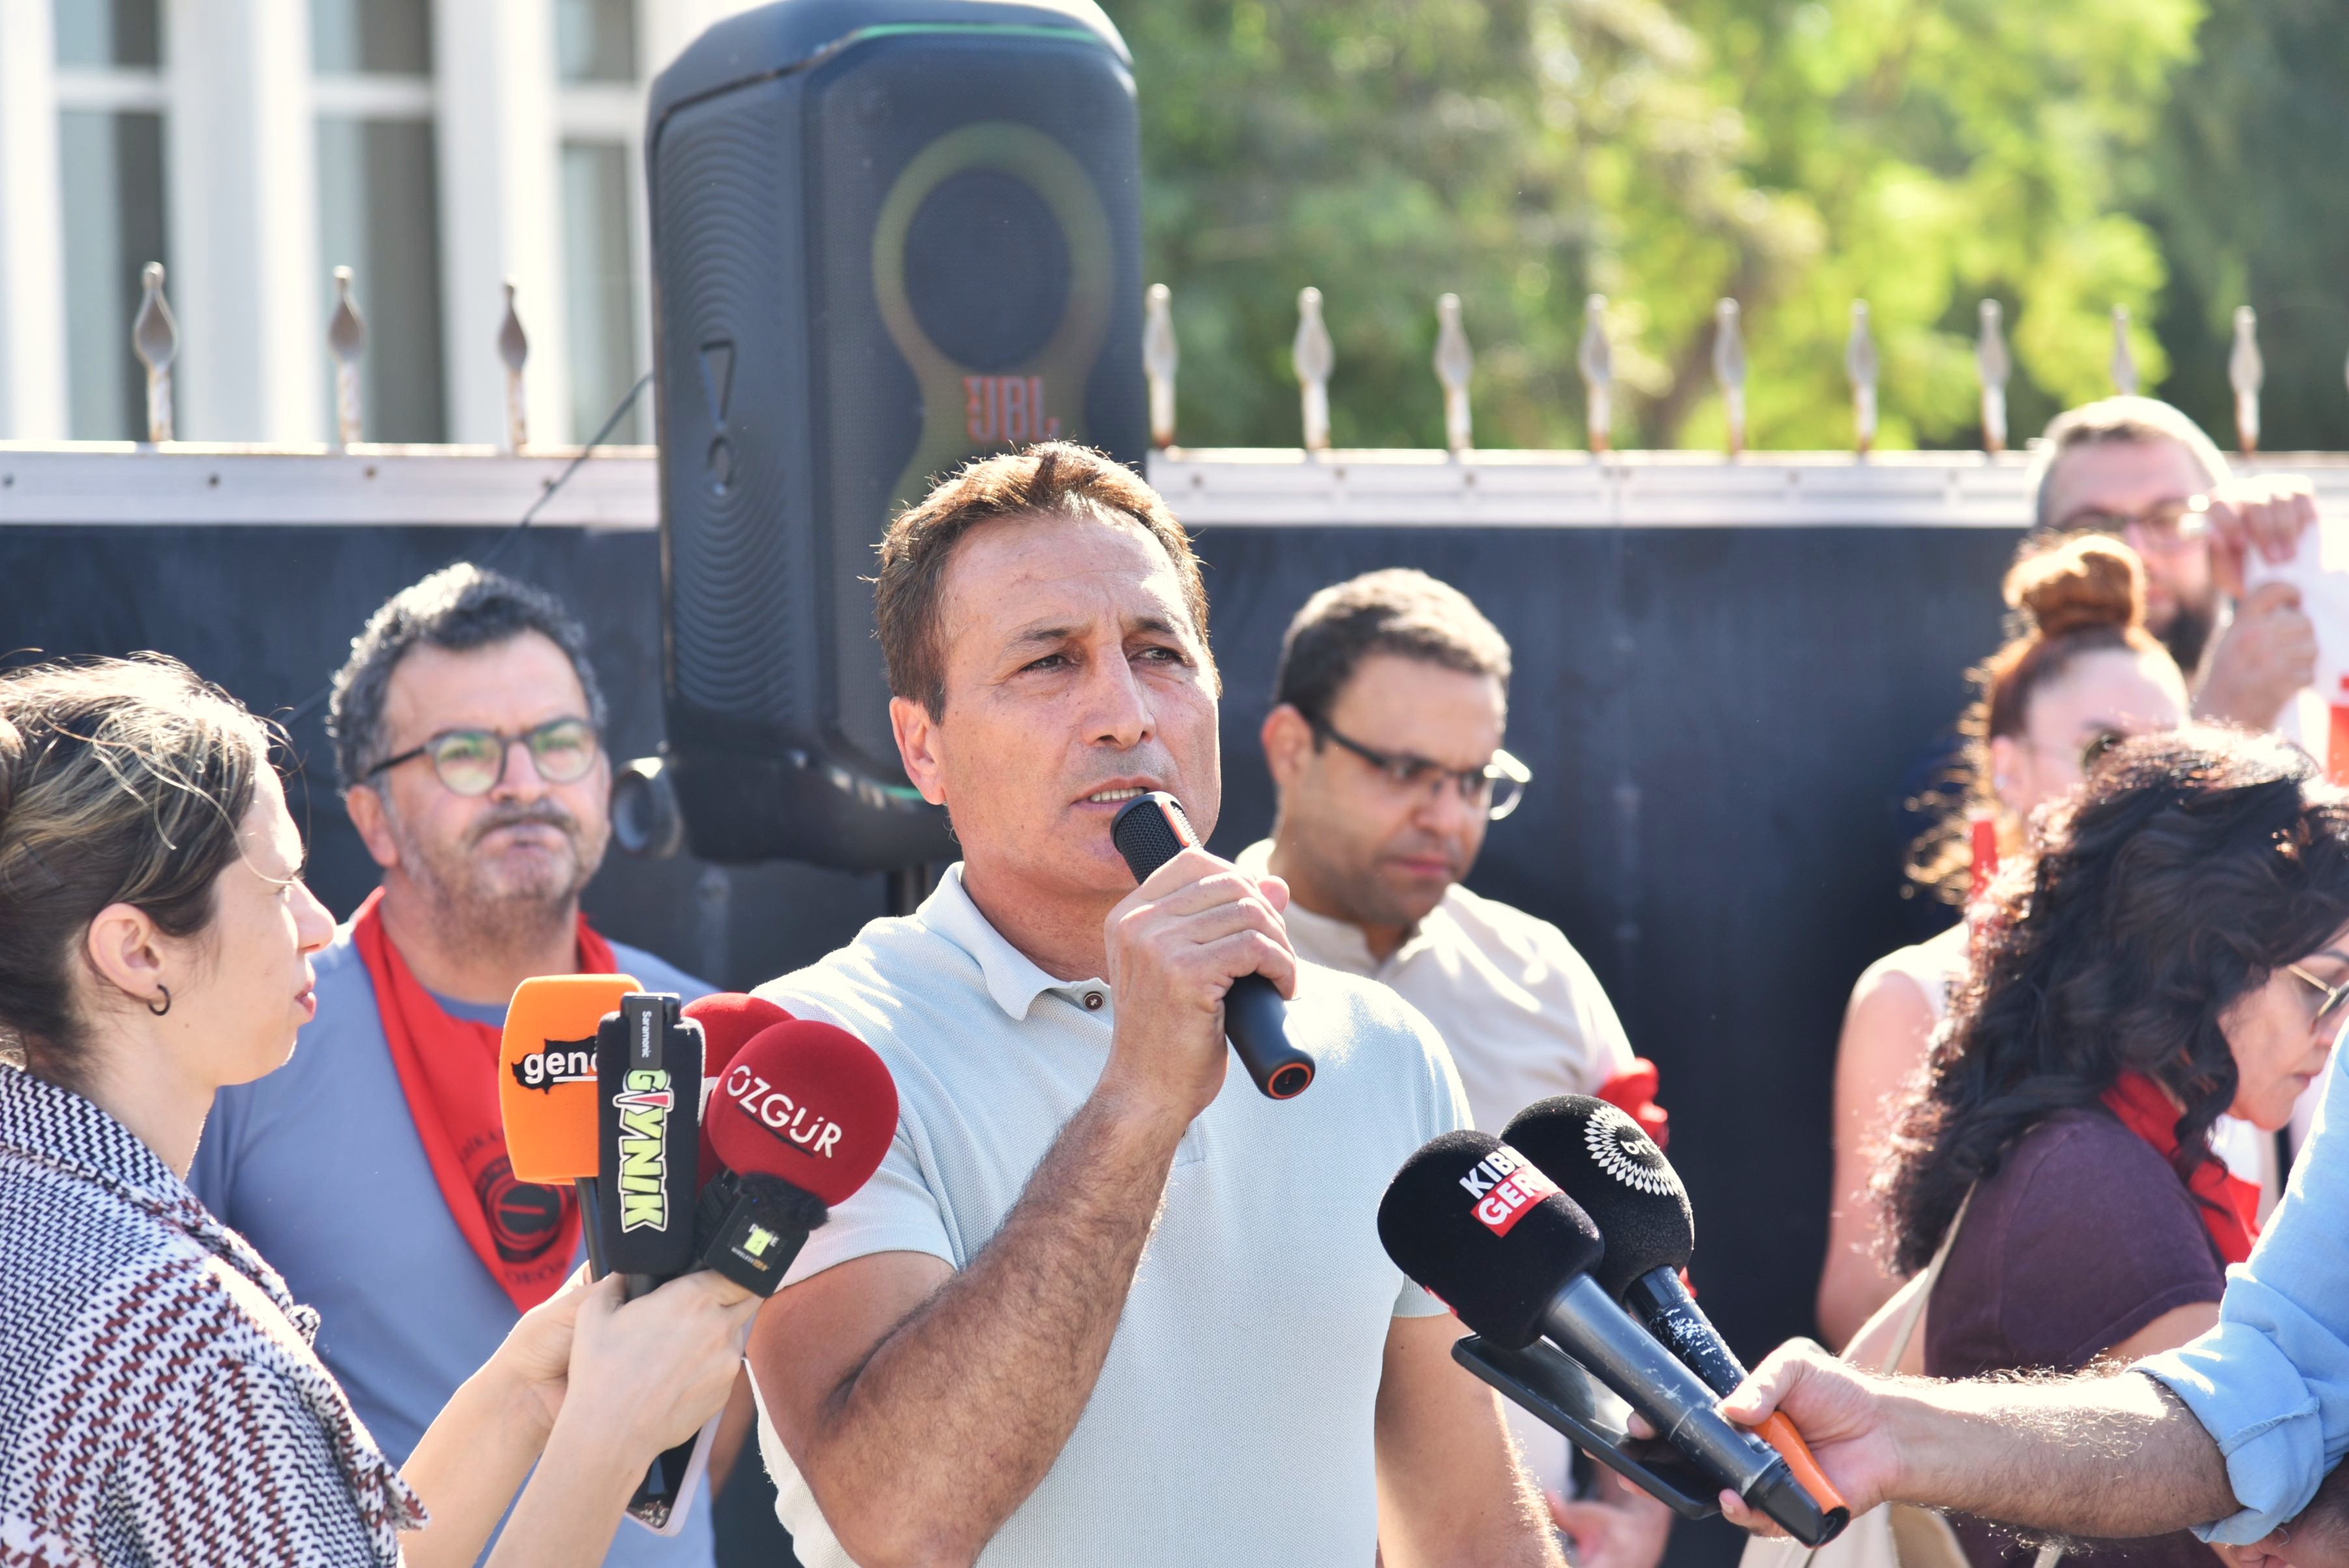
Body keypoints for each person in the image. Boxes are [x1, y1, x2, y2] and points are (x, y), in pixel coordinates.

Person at [742, 444, 1562, 1568]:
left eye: (1159, 654)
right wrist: (1137, 1102)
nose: (1125, 714)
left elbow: (1468, 1534)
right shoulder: (814, 1051)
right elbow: (904, 1522)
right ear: (923, 749)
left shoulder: (1378, 1046)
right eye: (1048, 661)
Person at [0, 655, 755, 1566]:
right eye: (278, 887)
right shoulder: (187, 1342)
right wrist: (609, 1434)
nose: (319, 923)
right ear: (138, 952)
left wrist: (525, 1392)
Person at [190, 565, 721, 1565]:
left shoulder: (702, 1029)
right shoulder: (252, 1039)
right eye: (465, 752)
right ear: (372, 817)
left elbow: (733, 1391)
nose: (523, 782)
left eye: (558, 741)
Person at [1715, 729, 2349, 1556]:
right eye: (2324, 985)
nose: (2335, 1030)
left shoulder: (2080, 1152)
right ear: (2194, 959)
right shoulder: (2097, 1185)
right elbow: (2255, 1501)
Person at [1238, 566, 1671, 1567]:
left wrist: (1639, 1503)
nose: (1446, 815)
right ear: (1291, 746)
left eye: (1475, 779)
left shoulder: (1542, 973)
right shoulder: (1179, 971)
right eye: (1405, 770)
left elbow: (1645, 1271)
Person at [1818, 537, 2190, 1347]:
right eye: (2105, 750)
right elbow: (1857, 1306)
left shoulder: (2229, 989)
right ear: (2008, 769)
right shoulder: (1914, 994)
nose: (2143, 789)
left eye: (2173, 759)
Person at [2030, 396, 2317, 730]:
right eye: (2095, 529)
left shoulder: (2317, 695)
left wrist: (2296, 564)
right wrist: (2225, 727)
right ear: (2035, 557)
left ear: (2223, 540)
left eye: (2170, 520)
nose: (2137, 555)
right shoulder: (2002, 738)